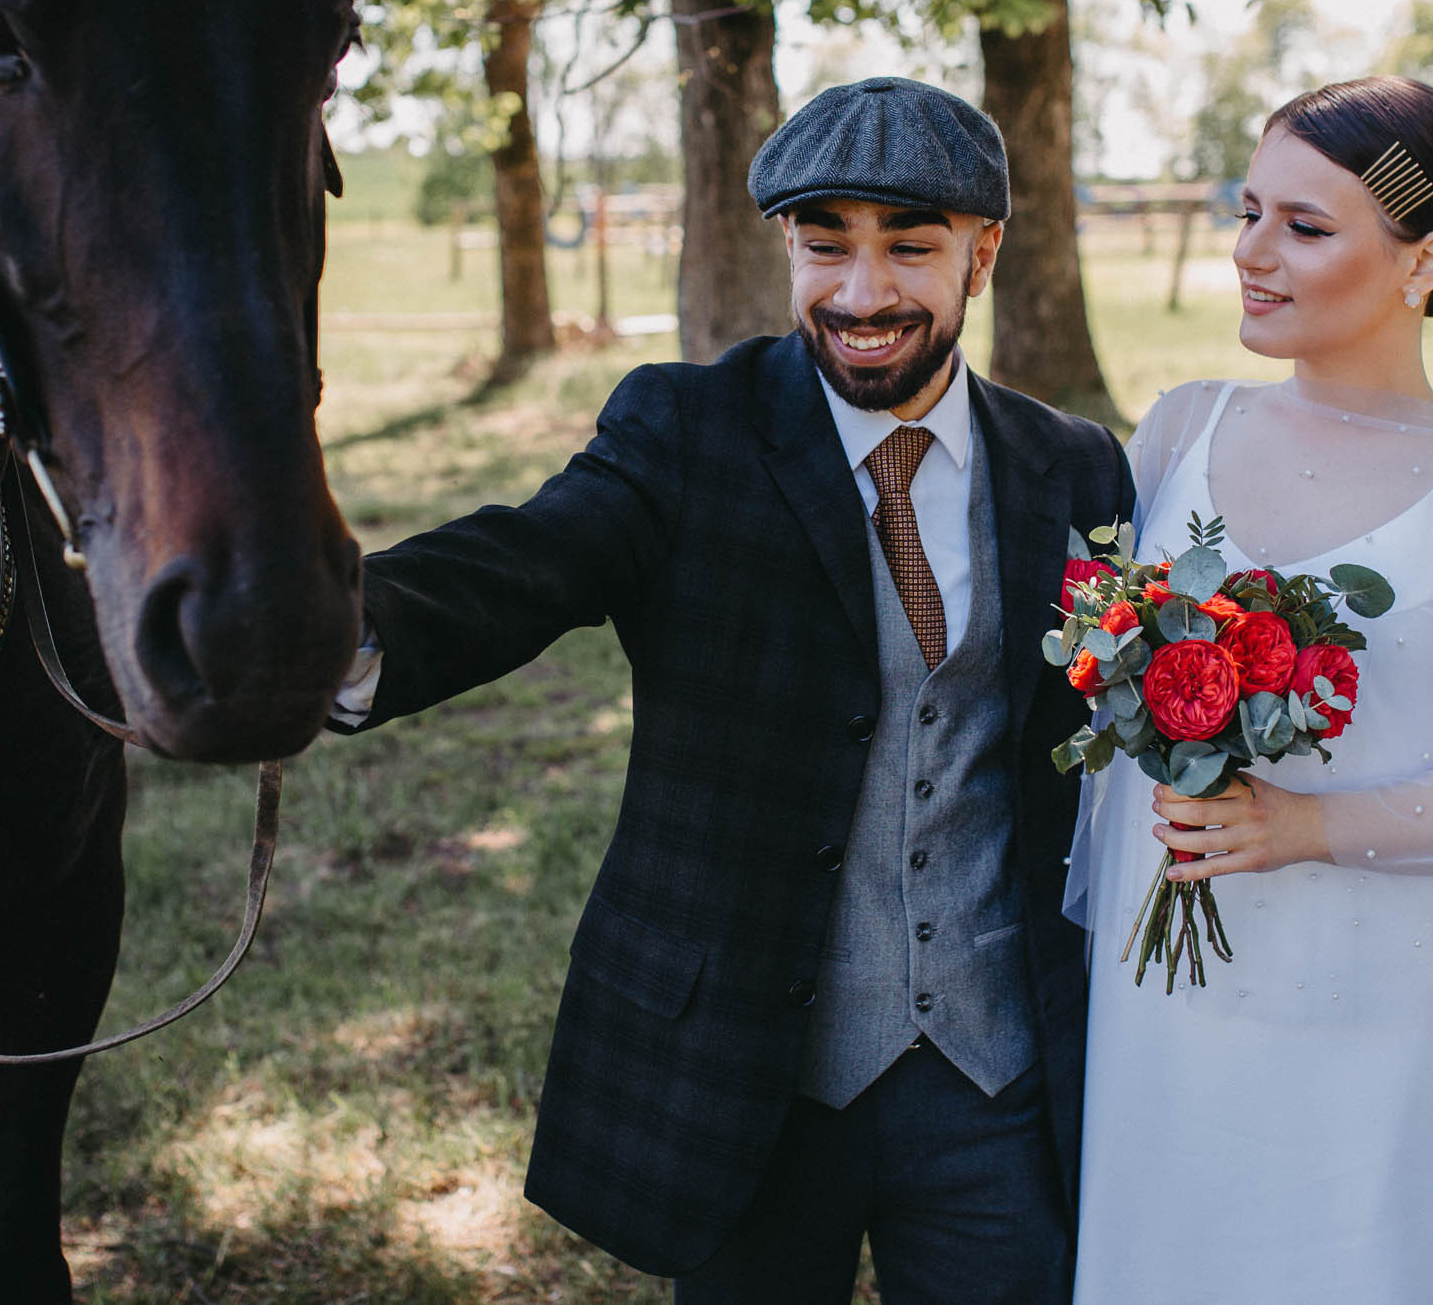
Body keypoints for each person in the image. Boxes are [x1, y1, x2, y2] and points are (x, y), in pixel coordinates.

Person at [331, 76, 1131, 1302]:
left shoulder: (1071, 468)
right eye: (825, 248)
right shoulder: (688, 429)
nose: (861, 296)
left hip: (994, 1080)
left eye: (910, 249)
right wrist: (339, 634)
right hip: (752, 1083)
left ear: (984, 254)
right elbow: (537, 558)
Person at [1067, 76, 1433, 1304]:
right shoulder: (1176, 430)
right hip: (1167, 1007)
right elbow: (1093, 672)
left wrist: (1302, 826)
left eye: (1304, 226)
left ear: (1423, 258)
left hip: (1376, 1008)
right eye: (1246, 212)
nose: (1249, 253)